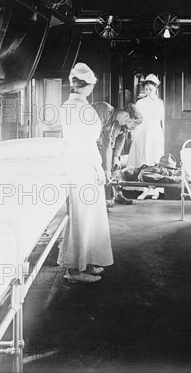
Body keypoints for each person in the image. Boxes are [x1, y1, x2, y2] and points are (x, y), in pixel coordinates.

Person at [57, 63, 114, 283]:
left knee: (86, 216)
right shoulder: (82, 108)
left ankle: (86, 261)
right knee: (83, 217)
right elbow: (86, 143)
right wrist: (98, 167)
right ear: (87, 86)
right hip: (84, 165)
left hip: (75, 163)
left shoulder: (68, 105)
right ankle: (75, 270)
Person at [91, 101, 143, 207]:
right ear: (127, 116)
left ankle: (116, 196)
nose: (133, 127)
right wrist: (105, 165)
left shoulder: (118, 124)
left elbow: (111, 143)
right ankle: (101, 199)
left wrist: (115, 157)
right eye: (133, 123)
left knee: (114, 167)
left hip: (100, 147)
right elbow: (94, 135)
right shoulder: (104, 109)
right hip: (88, 144)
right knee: (101, 170)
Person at [127, 74, 165, 199]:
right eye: (146, 89)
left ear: (156, 89)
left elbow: (161, 121)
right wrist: (134, 133)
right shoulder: (140, 102)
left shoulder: (160, 104)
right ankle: (144, 188)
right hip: (142, 132)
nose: (148, 92)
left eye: (151, 89)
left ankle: (155, 189)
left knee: (154, 160)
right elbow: (137, 119)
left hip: (154, 134)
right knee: (142, 159)